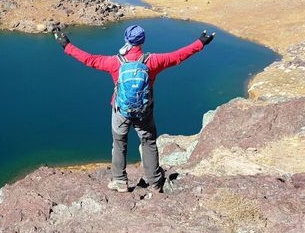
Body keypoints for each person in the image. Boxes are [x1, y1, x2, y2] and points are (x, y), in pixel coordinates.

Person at [54, 24, 215, 193]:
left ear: (126, 39)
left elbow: (90, 59)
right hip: (144, 112)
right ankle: (154, 182)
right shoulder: (152, 61)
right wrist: (200, 43)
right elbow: (178, 56)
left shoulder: (115, 62)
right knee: (148, 142)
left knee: (119, 144)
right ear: (142, 41)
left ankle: (120, 182)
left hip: (121, 111)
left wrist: (67, 45)